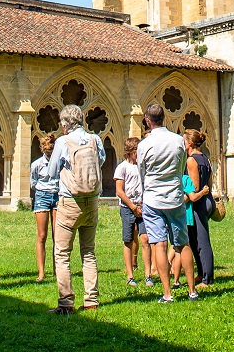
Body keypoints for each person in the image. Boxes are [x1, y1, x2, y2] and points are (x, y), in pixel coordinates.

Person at [45, 104, 105, 313]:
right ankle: (92, 300)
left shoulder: (63, 141)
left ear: (64, 124)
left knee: (62, 253)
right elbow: (102, 161)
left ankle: (66, 303)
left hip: (70, 202)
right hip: (92, 202)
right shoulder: (95, 139)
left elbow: (52, 172)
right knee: (88, 252)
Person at [135, 104, 197, 302]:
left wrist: (149, 188)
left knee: (159, 245)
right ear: (164, 118)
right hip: (175, 197)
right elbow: (181, 167)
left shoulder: (144, 144)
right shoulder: (178, 140)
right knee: (182, 243)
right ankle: (192, 291)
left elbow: (141, 171)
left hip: (153, 198)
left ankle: (167, 294)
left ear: (147, 120)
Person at [184, 129, 215, 287]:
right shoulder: (205, 158)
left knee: (201, 241)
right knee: (194, 239)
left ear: (189, 143)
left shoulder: (191, 160)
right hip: (207, 200)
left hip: (199, 203)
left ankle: (207, 279)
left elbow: (195, 187)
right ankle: (201, 273)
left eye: (184, 140)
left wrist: (185, 195)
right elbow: (209, 182)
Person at [115, 137, 147, 286]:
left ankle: (148, 275)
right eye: (137, 151)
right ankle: (130, 275)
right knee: (128, 240)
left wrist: (140, 206)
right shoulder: (122, 168)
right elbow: (119, 191)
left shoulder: (142, 166)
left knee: (145, 239)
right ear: (130, 152)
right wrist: (133, 207)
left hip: (142, 207)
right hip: (128, 208)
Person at [29, 132, 57, 282]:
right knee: (42, 235)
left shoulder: (59, 163)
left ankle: (57, 270)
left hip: (57, 196)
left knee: (57, 236)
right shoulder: (37, 165)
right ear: (43, 151)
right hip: (42, 196)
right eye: (48, 152)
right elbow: (33, 183)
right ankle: (41, 272)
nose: (50, 155)